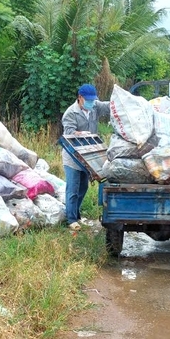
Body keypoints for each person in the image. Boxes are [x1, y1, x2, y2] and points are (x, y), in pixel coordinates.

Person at [61, 84, 110, 231]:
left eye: (93, 100)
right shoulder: (70, 113)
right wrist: (80, 133)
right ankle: (70, 219)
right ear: (80, 98)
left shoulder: (94, 107)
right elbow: (68, 132)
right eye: (88, 100)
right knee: (73, 188)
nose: (91, 103)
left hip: (88, 156)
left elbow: (108, 106)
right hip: (73, 157)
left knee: (83, 187)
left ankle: (76, 215)